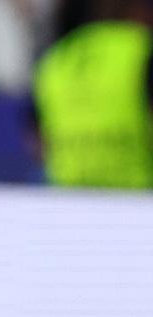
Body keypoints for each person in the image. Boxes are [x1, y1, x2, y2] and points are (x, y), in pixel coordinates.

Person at [33, 0, 153, 188]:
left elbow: (36, 138)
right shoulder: (141, 48)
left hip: (69, 193)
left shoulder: (56, 57)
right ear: (135, 10)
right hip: (139, 193)